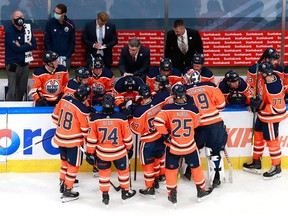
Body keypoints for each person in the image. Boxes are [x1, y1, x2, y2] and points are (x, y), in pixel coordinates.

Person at [154, 83, 213, 206]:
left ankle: (171, 194)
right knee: (196, 167)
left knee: (171, 169)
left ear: (174, 95)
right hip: (189, 145)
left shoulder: (167, 108)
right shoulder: (193, 109)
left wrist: (166, 135)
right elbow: (196, 124)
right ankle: (201, 190)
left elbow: (158, 122)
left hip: (173, 146)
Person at [86, 94, 136, 206]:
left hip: (102, 153)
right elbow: (127, 137)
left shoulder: (95, 118)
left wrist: (90, 153)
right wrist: (130, 148)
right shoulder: (121, 117)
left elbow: (91, 139)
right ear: (114, 104)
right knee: (123, 173)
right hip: (119, 152)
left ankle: (105, 195)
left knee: (104, 174)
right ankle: (125, 192)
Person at [243, 62, 287, 179]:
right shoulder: (263, 79)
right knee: (257, 136)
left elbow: (279, 109)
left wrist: (261, 106)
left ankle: (276, 167)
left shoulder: (275, 87)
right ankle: (256, 162)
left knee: (272, 141)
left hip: (271, 118)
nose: (265, 76)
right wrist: (255, 103)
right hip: (262, 116)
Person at [185, 71, 227, 188]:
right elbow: (221, 104)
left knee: (193, 148)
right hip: (214, 123)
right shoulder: (210, 85)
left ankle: (189, 168)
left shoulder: (185, 90)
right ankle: (216, 177)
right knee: (215, 151)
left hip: (198, 126)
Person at [130, 84, 172, 197]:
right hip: (160, 137)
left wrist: (130, 120)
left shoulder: (139, 111)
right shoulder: (159, 100)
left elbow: (137, 130)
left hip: (148, 142)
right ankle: (157, 179)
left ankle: (150, 187)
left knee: (147, 165)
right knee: (158, 160)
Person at [51, 84, 91, 203]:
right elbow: (85, 131)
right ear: (84, 97)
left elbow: (54, 118)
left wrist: (64, 129)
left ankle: (62, 182)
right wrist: (90, 146)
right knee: (73, 166)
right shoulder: (82, 109)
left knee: (65, 162)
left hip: (60, 138)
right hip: (73, 141)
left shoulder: (64, 99)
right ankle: (68, 190)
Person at [4, 10, 37, 101]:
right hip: (13, 64)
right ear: (13, 20)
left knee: (22, 89)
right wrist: (27, 45)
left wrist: (22, 45)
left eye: (22, 16)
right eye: (18, 17)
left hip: (25, 63)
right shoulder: (9, 32)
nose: (20, 19)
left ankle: (18, 106)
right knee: (12, 89)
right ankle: (9, 108)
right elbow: (16, 49)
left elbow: (34, 45)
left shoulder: (27, 29)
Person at [44, 3, 75, 70]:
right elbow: (47, 41)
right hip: (52, 58)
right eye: (55, 12)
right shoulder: (50, 23)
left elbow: (72, 42)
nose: (55, 14)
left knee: (64, 77)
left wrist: (66, 56)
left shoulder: (70, 24)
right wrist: (52, 56)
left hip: (65, 57)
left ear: (63, 14)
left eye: (58, 13)